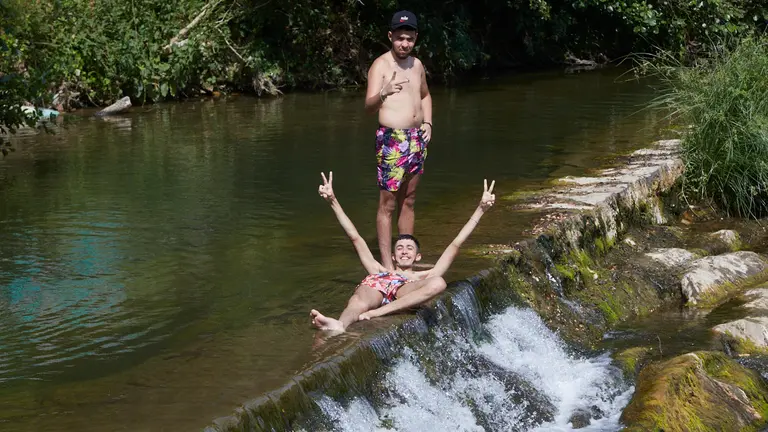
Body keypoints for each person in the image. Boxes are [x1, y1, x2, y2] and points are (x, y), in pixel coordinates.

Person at [310, 171, 496, 332]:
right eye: (399, 248)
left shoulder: (421, 277)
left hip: (402, 291)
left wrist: (481, 209)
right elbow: (355, 237)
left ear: (418, 256)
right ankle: (340, 325)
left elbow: (455, 244)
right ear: (393, 256)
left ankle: (378, 312)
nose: (404, 251)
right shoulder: (378, 270)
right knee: (360, 300)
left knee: (439, 282)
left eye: (409, 248)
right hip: (376, 287)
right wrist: (333, 201)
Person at [364, 10, 432, 270]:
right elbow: (369, 107)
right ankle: (387, 266)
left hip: (417, 139)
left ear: (415, 38)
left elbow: (426, 95)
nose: (405, 44)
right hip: (392, 140)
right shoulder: (380, 65)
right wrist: (384, 93)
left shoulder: (417, 65)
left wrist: (428, 123)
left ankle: (406, 261)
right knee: (388, 203)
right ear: (390, 36)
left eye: (410, 39)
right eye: (400, 38)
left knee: (410, 199)